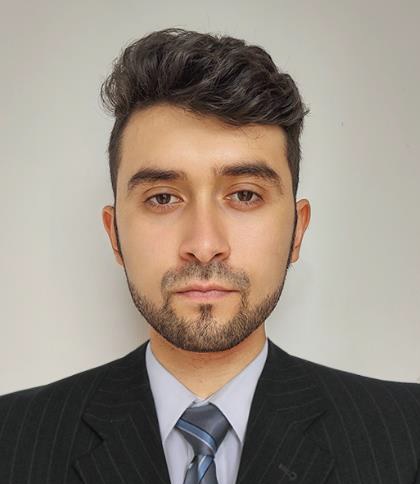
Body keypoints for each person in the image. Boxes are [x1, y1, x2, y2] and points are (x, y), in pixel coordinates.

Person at [0, 27, 419, 484]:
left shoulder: (407, 434)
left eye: (244, 195)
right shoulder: (11, 439)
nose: (203, 245)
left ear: (297, 230)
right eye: (163, 198)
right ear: (114, 234)